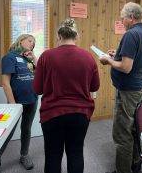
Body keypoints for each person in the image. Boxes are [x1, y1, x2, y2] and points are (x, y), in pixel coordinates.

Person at [33, 18, 100, 173]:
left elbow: (37, 89)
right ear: (76, 36)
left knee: (52, 155)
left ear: (59, 36)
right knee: (76, 153)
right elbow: (94, 86)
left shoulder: (46, 56)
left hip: (52, 114)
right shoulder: (88, 57)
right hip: (80, 114)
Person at [100, 2, 142, 173]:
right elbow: (132, 60)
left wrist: (108, 60)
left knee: (122, 133)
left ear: (131, 17)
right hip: (140, 88)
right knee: (135, 128)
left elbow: (126, 67)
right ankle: (135, 163)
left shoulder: (131, 34)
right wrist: (118, 55)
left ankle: (123, 170)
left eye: (123, 18)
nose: (121, 21)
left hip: (129, 91)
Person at [1, 34, 38, 170]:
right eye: (30, 41)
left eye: (34, 43)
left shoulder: (28, 59)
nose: (32, 44)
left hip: (32, 99)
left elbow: (39, 75)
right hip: (16, 103)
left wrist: (34, 58)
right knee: (8, 131)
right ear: (21, 40)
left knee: (26, 129)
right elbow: (5, 83)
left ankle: (24, 155)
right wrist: (12, 105)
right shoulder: (9, 57)